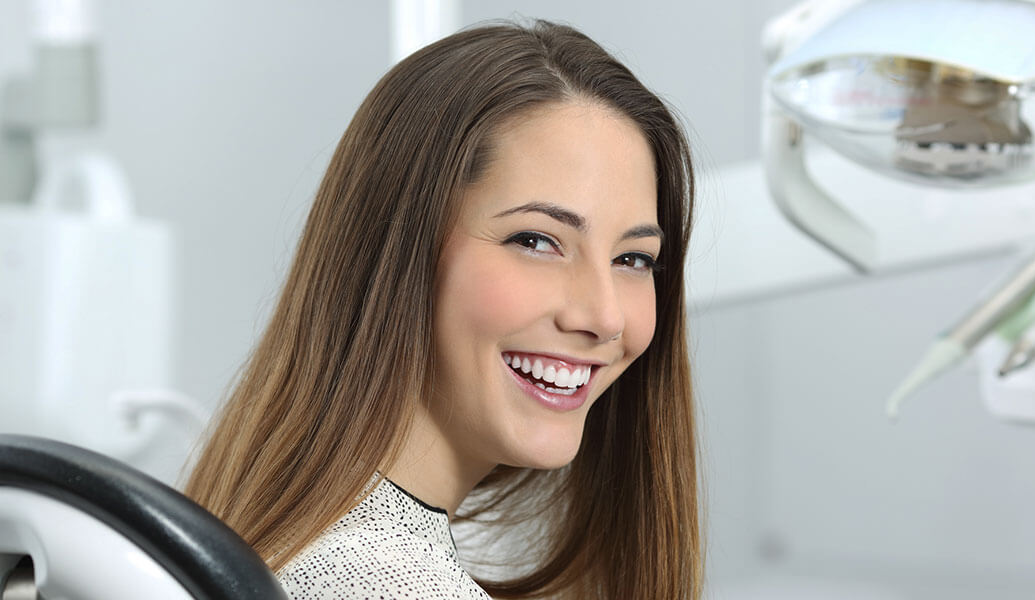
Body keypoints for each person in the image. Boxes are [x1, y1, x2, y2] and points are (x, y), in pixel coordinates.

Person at [184, 19, 701, 600]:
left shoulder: (288, 536)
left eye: (633, 259)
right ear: (397, 251)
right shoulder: (387, 582)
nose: (605, 318)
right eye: (535, 241)